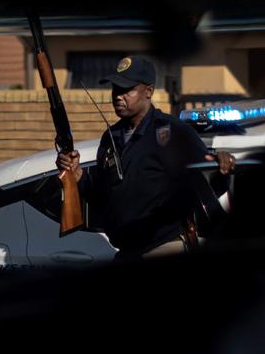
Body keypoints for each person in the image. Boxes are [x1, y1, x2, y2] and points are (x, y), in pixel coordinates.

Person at [56, 56, 235, 258]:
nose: (118, 96)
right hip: (127, 252)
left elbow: (209, 181)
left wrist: (222, 164)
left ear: (148, 91)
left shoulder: (171, 130)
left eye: (126, 90)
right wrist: (78, 174)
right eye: (115, 89)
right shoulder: (110, 137)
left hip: (165, 247)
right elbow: (104, 196)